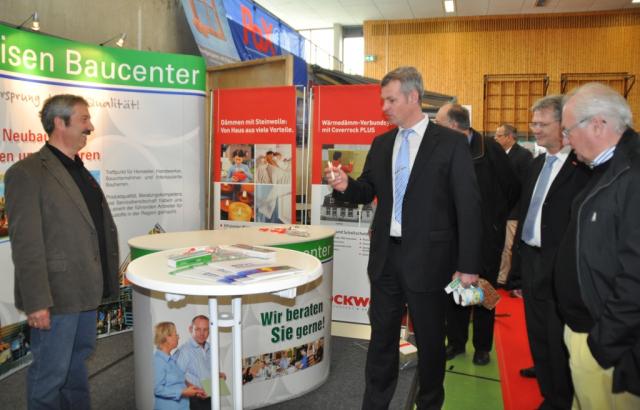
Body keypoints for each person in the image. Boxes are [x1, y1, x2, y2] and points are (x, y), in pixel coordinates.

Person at [325, 66, 483, 409]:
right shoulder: (382, 143)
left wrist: (469, 265)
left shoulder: (451, 144)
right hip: (386, 258)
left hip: (431, 260)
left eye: (391, 99)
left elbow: (469, 207)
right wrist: (345, 185)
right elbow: (367, 190)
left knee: (430, 341)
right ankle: (375, 403)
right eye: (383, 100)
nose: (384, 107)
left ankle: (429, 403)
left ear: (413, 97)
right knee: (381, 338)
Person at [5, 94, 120, 409]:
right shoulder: (26, 173)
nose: (91, 126)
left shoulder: (79, 170)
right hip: (56, 297)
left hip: (86, 291)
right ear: (59, 122)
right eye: (84, 119)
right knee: (50, 375)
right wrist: (37, 302)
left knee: (76, 365)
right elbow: (26, 245)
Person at [556, 82, 640, 408]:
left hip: (608, 347)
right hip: (588, 332)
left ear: (598, 124)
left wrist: (603, 344)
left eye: (568, 130)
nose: (566, 140)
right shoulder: (607, 170)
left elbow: (635, 276)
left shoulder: (631, 175)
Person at [512, 95, 591, 408]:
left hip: (560, 265)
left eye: (542, 124)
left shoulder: (581, 169)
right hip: (532, 260)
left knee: (558, 335)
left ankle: (559, 398)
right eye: (533, 123)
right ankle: (548, 385)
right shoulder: (536, 164)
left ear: (563, 125)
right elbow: (526, 215)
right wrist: (517, 269)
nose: (535, 130)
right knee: (537, 331)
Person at [435, 103, 519, 366]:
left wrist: (494, 220)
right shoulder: (443, 149)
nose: (435, 128)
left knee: (485, 290)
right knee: (455, 288)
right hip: (453, 235)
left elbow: (513, 187)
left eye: (438, 123)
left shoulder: (490, 149)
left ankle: (482, 346)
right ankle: (456, 341)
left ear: (453, 125)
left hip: (486, 236)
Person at [494, 123, 533, 287]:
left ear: (509, 137)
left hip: (515, 210)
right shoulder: (498, 154)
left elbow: (525, 186)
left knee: (509, 246)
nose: (495, 138)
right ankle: (500, 275)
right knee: (500, 244)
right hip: (499, 210)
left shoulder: (524, 155)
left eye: (499, 136)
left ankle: (506, 278)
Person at [153, 322, 205, 409]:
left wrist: (196, 391)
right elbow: (157, 389)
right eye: (176, 334)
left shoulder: (172, 359)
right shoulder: (158, 361)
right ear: (167, 337)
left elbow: (180, 381)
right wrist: (182, 392)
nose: (178, 337)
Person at [175, 315, 214, 410]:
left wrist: (219, 375)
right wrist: (196, 391)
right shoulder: (184, 351)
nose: (202, 333)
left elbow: (206, 372)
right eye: (198, 329)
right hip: (193, 400)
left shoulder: (211, 348)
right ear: (190, 329)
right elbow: (177, 377)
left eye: (205, 329)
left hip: (210, 397)